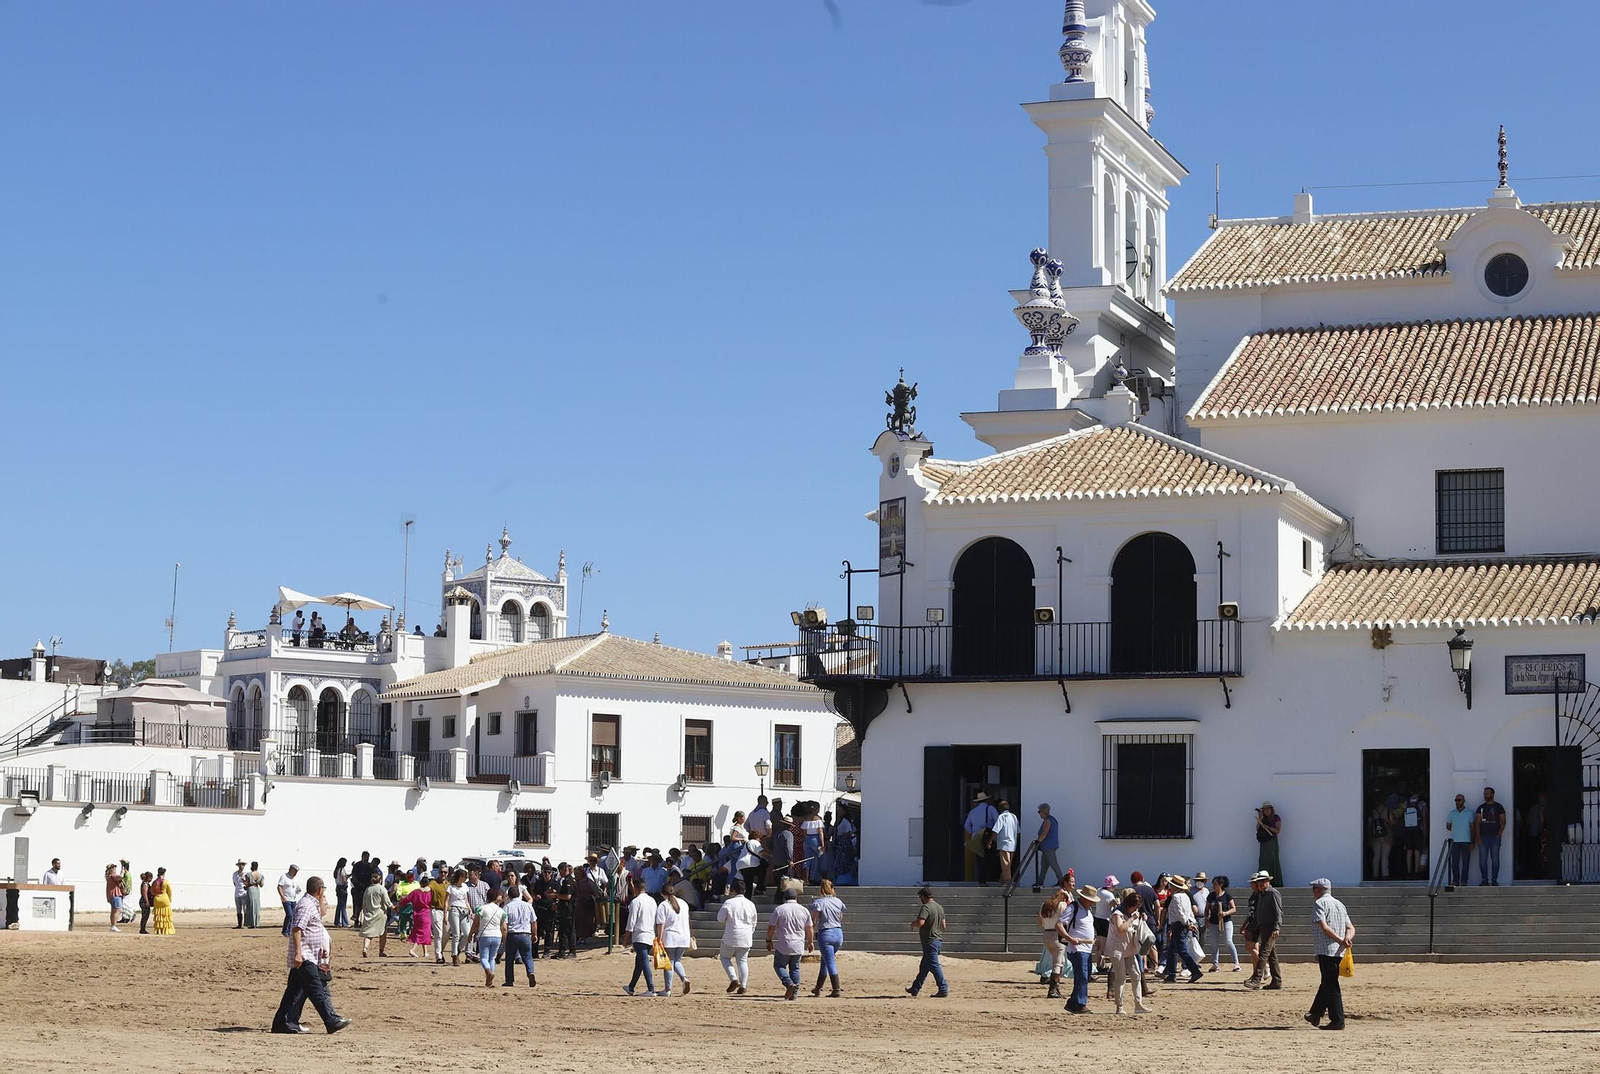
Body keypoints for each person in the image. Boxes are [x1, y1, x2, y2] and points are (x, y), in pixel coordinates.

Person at [271, 876, 351, 1034]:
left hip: (310, 956)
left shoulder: (310, 904)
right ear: (320, 890)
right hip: (305, 956)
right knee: (316, 990)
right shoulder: (306, 905)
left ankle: (282, 1022)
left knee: (293, 992)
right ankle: (331, 1021)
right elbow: (296, 929)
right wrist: (299, 954)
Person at [1305, 878, 1355, 1031]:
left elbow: (1324, 927)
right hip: (1339, 952)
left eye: (1314, 888)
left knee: (1331, 984)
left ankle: (1337, 1019)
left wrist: (1340, 940)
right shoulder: (1340, 904)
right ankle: (1315, 1013)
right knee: (1328, 982)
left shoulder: (1320, 904)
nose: (1313, 891)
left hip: (1326, 949)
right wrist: (1346, 939)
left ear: (1320, 890)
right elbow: (1351, 928)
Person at [1108, 889, 1152, 1015]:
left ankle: (1138, 1004)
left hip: (1129, 949)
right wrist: (1132, 918)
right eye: (1135, 907)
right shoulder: (1117, 913)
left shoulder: (1132, 914)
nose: (1135, 910)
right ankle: (1119, 1006)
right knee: (1121, 978)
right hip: (1117, 950)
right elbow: (1120, 929)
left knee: (1136, 975)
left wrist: (1141, 918)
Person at [766, 886, 813, 1000]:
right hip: (798, 943)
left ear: (784, 897)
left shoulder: (779, 909)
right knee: (795, 968)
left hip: (784, 943)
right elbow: (809, 928)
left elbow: (771, 927)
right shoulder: (804, 910)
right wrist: (810, 942)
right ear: (796, 897)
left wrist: (769, 940)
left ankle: (788, 983)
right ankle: (795, 993)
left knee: (779, 965)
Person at [1058, 884, 1097, 1013]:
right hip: (1077, 949)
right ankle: (1080, 1003)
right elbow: (1059, 924)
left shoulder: (1088, 910)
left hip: (1087, 948)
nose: (1092, 902)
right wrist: (1070, 939)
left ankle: (1073, 1002)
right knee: (1082, 976)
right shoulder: (1073, 907)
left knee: (1085, 976)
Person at [1243, 870, 1283, 990]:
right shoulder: (1261, 894)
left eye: (1262, 881)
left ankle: (1256, 979)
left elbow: (1278, 912)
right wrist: (1251, 926)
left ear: (1268, 881)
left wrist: (1276, 927)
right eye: (1258, 881)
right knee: (1271, 955)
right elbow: (1258, 913)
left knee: (1264, 953)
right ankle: (1277, 981)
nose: (1260, 884)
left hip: (1271, 927)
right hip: (1263, 926)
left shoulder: (1273, 893)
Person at [906, 887, 949, 998]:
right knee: (924, 966)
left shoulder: (926, 907)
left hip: (929, 941)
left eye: (920, 897)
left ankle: (943, 988)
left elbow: (921, 922)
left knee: (934, 966)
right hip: (938, 941)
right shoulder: (940, 907)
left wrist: (912, 924)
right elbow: (944, 926)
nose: (920, 899)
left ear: (924, 896)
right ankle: (915, 988)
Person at [717, 878, 758, 994]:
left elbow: (720, 918)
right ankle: (743, 985)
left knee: (725, 957)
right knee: (742, 961)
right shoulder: (751, 904)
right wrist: (750, 932)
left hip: (731, 934)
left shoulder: (729, 903)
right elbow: (754, 921)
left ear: (733, 891)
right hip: (746, 936)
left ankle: (733, 978)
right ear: (744, 891)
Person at [1161, 875, 1203, 983]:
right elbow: (1188, 912)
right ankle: (1171, 973)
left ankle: (1194, 970)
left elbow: (1180, 913)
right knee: (1173, 950)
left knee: (1181, 950)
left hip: (1179, 925)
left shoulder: (1175, 897)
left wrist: (1186, 924)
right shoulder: (1185, 896)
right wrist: (1190, 922)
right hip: (1182, 924)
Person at [809, 878, 847, 997]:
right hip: (838, 932)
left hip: (826, 932)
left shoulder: (819, 902)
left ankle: (836, 989)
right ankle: (818, 987)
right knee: (825, 960)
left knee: (829, 961)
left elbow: (814, 920)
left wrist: (810, 929)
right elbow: (841, 918)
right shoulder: (838, 901)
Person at [622, 877, 658, 996]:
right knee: (640, 962)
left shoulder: (636, 902)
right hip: (650, 934)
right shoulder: (652, 901)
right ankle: (631, 986)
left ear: (636, 888)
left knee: (643, 961)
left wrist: (626, 938)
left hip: (640, 935)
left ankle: (651, 988)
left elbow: (631, 921)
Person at [655, 882, 693, 996]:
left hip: (670, 936)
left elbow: (660, 924)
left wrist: (659, 939)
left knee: (669, 962)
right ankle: (684, 978)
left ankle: (668, 989)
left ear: (662, 893)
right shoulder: (683, 903)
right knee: (677, 961)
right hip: (684, 936)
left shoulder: (663, 905)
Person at [1037, 884, 1068, 998]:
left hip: (1046, 934)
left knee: (1058, 961)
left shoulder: (1044, 905)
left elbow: (1040, 922)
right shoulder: (1062, 905)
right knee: (1058, 963)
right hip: (1057, 935)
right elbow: (1065, 921)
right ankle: (1053, 989)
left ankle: (1055, 987)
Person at [503, 888, 537, 987]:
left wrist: (503, 938)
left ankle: (509, 980)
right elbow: (534, 921)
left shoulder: (507, 907)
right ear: (519, 895)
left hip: (512, 934)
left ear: (509, 896)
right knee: (528, 956)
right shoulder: (527, 906)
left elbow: (505, 924)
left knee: (509, 959)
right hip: (525, 934)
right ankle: (530, 972)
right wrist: (534, 934)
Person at [474, 890, 508, 988]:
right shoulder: (501, 911)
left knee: (483, 958)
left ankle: (488, 972)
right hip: (497, 935)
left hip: (485, 935)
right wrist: (503, 939)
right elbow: (504, 928)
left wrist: (471, 933)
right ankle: (489, 981)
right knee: (492, 958)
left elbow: (476, 924)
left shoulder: (481, 909)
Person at [963, 792, 998, 885]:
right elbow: (998, 821)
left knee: (979, 860)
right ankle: (989, 879)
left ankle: (981, 880)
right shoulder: (990, 808)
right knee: (990, 859)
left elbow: (966, 825)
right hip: (988, 837)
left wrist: (974, 833)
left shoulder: (972, 811)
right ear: (987, 800)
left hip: (976, 838)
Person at [1474, 786, 1507, 886]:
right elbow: (1477, 823)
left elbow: (1503, 821)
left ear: (1492, 794)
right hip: (1483, 837)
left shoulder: (1499, 807)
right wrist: (1478, 836)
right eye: (1484, 793)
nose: (1485, 795)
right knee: (1482, 860)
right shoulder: (1481, 807)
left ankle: (1494, 880)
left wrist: (1498, 834)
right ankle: (1484, 879)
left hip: (1495, 838)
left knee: (1495, 859)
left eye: (1487, 793)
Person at [1030, 804, 1065, 892]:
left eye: (1039, 811)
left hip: (1048, 846)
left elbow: (1044, 833)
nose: (1039, 814)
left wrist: (1037, 842)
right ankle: (1040, 881)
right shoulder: (1051, 820)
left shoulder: (1048, 821)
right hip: (1047, 847)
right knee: (1044, 865)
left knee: (1053, 864)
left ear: (1043, 811)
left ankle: (1062, 881)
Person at [1208, 875, 1240, 972]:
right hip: (1213, 922)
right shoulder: (1211, 896)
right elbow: (1207, 908)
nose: (1213, 886)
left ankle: (1236, 963)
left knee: (1228, 941)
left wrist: (1225, 913)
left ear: (1221, 885)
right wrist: (1207, 918)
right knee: (1214, 943)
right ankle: (1215, 964)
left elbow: (1234, 908)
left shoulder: (1227, 895)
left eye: (1215, 884)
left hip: (1226, 921)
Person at [358, 874, 394, 958]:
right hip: (380, 914)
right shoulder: (382, 889)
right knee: (383, 932)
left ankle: (365, 948)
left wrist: (365, 911)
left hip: (370, 913)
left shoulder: (368, 889)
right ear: (380, 880)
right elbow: (387, 902)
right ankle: (381, 951)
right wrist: (394, 908)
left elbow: (364, 902)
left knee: (369, 933)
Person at [1444, 793, 1473, 886]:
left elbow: (1473, 827)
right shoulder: (1451, 813)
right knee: (1454, 862)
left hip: (1466, 841)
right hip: (1455, 841)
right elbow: (1448, 826)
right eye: (1456, 800)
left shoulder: (1469, 813)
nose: (1457, 802)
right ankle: (1455, 880)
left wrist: (1473, 841)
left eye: (1459, 800)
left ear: (1464, 801)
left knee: (1466, 862)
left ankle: (1464, 880)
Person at [1400, 791, 1427, 879]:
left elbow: (1402, 815)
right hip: (1418, 829)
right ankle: (1416, 872)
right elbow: (1424, 818)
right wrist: (1425, 832)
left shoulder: (1406, 803)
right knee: (1417, 851)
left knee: (1409, 851)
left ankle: (1408, 872)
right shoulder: (1422, 803)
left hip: (1408, 830)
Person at [1255, 803, 1283, 886]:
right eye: (1264, 809)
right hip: (1264, 842)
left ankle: (1275, 882)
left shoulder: (1276, 818)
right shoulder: (1263, 818)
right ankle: (1262, 882)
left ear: (1271, 809)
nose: (1266, 811)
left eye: (1268, 809)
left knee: (1273, 860)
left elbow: (1278, 830)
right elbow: (1257, 829)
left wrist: (1268, 827)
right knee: (1263, 860)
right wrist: (1260, 819)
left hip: (1272, 841)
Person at [992, 800, 1019, 884]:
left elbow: (996, 830)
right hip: (1012, 844)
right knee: (1008, 864)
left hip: (1004, 844)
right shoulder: (1014, 817)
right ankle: (1002, 881)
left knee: (1005, 864)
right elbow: (1018, 831)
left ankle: (1008, 882)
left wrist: (990, 840)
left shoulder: (1001, 817)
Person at [1367, 800, 1395, 880]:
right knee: (1385, 857)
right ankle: (1385, 875)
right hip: (1386, 836)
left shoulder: (1372, 812)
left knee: (1376, 856)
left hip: (1375, 837)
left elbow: (1369, 825)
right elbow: (1392, 822)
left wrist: (1370, 838)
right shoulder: (1387, 810)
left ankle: (1375, 875)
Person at [426, 870, 449, 963]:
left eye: (445, 872)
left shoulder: (449, 884)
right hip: (436, 910)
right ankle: (438, 956)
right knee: (438, 933)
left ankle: (441, 951)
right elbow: (428, 889)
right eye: (441, 872)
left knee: (447, 934)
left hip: (447, 911)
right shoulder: (433, 883)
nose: (443, 874)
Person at [278, 865, 303, 936]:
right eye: (295, 871)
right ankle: (285, 930)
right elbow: (280, 886)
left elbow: (296, 887)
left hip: (293, 899)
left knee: (293, 916)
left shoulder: (295, 879)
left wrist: (298, 890)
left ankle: (289, 930)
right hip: (286, 899)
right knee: (289, 914)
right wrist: (282, 896)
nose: (296, 873)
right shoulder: (284, 877)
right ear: (291, 870)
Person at [150, 867, 174, 934]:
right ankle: (166, 930)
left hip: (157, 899)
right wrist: (169, 900)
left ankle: (159, 930)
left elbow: (152, 891)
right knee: (166, 915)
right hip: (164, 898)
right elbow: (170, 892)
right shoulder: (166, 882)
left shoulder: (154, 882)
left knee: (158, 915)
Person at [105, 863, 126, 933]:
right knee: (117, 910)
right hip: (115, 895)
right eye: (113, 868)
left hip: (112, 895)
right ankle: (113, 926)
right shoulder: (113, 876)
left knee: (114, 910)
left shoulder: (109, 877)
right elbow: (120, 877)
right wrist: (122, 872)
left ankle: (113, 925)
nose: (114, 869)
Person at [331, 857, 350, 928]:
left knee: (339, 905)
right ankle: (345, 922)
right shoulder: (342, 870)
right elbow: (344, 879)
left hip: (338, 887)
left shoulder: (337, 870)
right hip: (342, 888)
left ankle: (337, 921)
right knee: (343, 906)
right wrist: (346, 883)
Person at [246, 861, 265, 928]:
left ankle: (251, 923)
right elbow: (261, 885)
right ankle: (256, 923)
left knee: (251, 906)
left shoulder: (248, 874)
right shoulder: (260, 875)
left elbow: (247, 883)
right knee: (256, 906)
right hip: (256, 889)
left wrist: (243, 882)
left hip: (251, 889)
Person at [232, 860, 250, 928]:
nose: (241, 866)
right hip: (237, 893)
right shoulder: (235, 874)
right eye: (240, 864)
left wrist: (243, 879)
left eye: (242, 864)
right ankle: (239, 924)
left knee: (245, 909)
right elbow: (234, 883)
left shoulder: (246, 874)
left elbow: (247, 883)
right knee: (238, 909)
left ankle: (246, 923)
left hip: (244, 893)